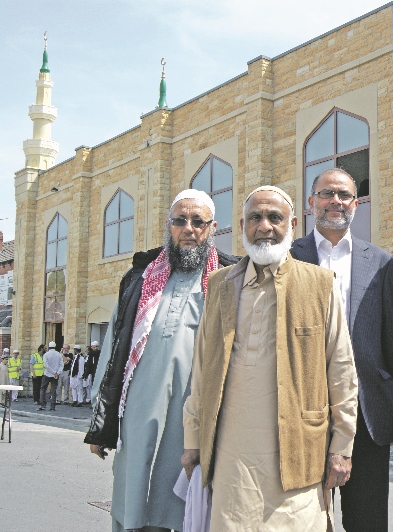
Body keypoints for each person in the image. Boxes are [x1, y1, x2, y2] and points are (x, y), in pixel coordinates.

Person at [182, 185, 359, 530]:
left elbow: (341, 371)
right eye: (255, 218)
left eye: (274, 217)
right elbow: (202, 370)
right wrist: (192, 441)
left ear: (292, 224)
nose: (264, 226)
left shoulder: (319, 284)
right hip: (231, 457)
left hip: (299, 453)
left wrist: (342, 446)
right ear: (242, 225)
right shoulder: (220, 284)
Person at [85, 189, 237, 532]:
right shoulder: (139, 278)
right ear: (168, 226)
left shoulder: (230, 278)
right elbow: (113, 349)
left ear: (212, 227)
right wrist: (101, 420)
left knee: (185, 507)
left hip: (194, 418)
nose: (188, 228)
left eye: (198, 222)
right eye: (180, 220)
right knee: (133, 497)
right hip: (138, 414)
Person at [291, 168, 393, 531]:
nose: (335, 201)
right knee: (306, 520)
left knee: (367, 522)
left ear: (356, 202)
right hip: (304, 411)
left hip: (366, 413)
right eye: (326, 194)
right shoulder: (288, 258)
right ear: (311, 202)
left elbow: (391, 341)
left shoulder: (382, 263)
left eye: (344, 195)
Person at [39, 341, 62, 411]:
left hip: (47, 374)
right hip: (55, 375)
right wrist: (57, 372)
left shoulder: (46, 355)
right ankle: (53, 406)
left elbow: (46, 366)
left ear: (49, 347)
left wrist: (53, 372)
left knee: (43, 389)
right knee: (53, 390)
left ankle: (43, 405)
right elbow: (61, 365)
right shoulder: (59, 354)